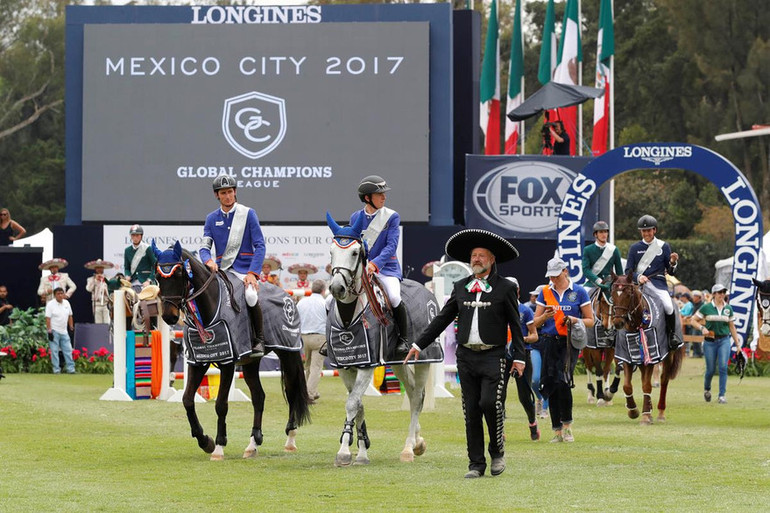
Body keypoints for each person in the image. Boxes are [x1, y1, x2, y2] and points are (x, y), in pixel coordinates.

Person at [405, 228, 525, 479]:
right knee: (471, 410)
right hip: (466, 357)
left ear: (492, 260)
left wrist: (520, 356)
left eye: (482, 255)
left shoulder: (504, 288)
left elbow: (516, 324)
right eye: (473, 255)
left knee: (489, 404)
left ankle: (497, 452)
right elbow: (441, 319)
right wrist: (418, 344)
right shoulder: (461, 287)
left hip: (494, 356)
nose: (476, 259)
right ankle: (476, 464)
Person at [200, 175, 266, 357]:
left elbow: (260, 245)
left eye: (230, 191)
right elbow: (204, 247)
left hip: (244, 270)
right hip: (223, 271)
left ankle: (258, 339)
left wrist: (253, 273)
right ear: (217, 195)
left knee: (251, 296)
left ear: (235, 192)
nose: (228, 196)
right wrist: (208, 260)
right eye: (223, 193)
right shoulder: (211, 218)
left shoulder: (248, 213)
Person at [533, 256, 594, 443]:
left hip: (569, 343)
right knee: (550, 383)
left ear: (565, 271)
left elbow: (591, 321)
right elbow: (534, 322)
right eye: (550, 276)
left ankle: (567, 426)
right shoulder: (545, 292)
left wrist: (574, 320)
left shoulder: (579, 291)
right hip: (548, 341)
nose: (553, 280)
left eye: (556, 276)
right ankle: (556, 430)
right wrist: (545, 316)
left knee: (563, 381)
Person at [350, 175, 409, 355]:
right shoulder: (355, 218)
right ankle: (333, 337)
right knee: (334, 297)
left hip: (386, 269)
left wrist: (375, 264)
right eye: (379, 194)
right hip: (362, 270)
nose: (384, 197)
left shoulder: (391, 216)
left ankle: (403, 339)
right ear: (368, 198)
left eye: (384, 194)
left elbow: (391, 246)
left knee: (393, 297)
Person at [625, 215, 681, 349]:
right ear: (641, 232)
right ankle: (618, 337)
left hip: (658, 284)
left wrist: (673, 262)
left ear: (654, 230)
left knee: (668, 306)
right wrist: (638, 277)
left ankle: (671, 335)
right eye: (644, 231)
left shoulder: (664, 246)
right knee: (622, 305)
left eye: (649, 230)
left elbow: (671, 271)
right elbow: (628, 271)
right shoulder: (634, 248)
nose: (646, 234)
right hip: (639, 285)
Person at [690, 284, 743, 404]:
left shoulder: (728, 308)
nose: (722, 295)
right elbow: (693, 320)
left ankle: (721, 395)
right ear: (714, 294)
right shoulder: (706, 307)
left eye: (724, 292)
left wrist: (738, 345)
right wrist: (701, 328)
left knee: (723, 367)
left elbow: (732, 327)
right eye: (719, 292)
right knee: (710, 369)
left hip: (724, 340)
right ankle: (707, 389)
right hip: (710, 342)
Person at [503, 277, 540, 441]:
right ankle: (499, 429)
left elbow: (534, 336)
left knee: (524, 395)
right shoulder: (496, 309)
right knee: (499, 394)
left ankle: (533, 423)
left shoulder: (525, 310)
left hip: (522, 355)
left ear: (517, 291)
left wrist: (520, 340)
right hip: (502, 356)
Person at [297, 279, 327, 402]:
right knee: (316, 367)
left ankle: (310, 391)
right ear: (323, 290)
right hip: (320, 337)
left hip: (305, 337)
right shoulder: (324, 303)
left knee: (308, 366)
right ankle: (308, 394)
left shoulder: (302, 302)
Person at [581, 221, 623, 301]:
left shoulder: (614, 250)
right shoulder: (588, 250)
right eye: (600, 232)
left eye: (605, 232)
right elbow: (585, 270)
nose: (604, 234)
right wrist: (598, 280)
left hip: (610, 284)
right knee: (582, 300)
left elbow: (619, 272)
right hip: (592, 283)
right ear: (595, 234)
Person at [527, 284, 548, 419]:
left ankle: (545, 408)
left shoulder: (554, 308)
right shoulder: (531, 309)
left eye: (536, 295)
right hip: (536, 345)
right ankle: (540, 398)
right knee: (534, 380)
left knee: (548, 378)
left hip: (550, 344)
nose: (534, 298)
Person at [45, 287, 75, 374]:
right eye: (58, 294)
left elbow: (70, 316)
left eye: (62, 293)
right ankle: (56, 370)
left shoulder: (67, 303)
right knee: (54, 351)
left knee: (68, 350)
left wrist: (71, 327)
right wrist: (49, 331)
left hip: (64, 331)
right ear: (54, 295)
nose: (60, 295)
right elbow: (48, 319)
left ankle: (71, 369)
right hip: (54, 330)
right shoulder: (50, 304)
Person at [85, 259, 114, 324]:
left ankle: (108, 334)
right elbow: (88, 289)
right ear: (95, 269)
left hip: (106, 303)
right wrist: (95, 280)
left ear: (103, 268)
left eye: (101, 268)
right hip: (97, 304)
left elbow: (111, 290)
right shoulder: (90, 279)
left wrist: (105, 289)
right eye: (98, 268)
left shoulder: (109, 278)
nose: (99, 269)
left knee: (107, 322)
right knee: (98, 323)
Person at [688, 289, 705, 357]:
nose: (693, 298)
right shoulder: (695, 304)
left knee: (697, 338)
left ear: (698, 297)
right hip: (694, 323)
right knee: (694, 338)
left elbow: (699, 314)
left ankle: (698, 353)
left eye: (695, 296)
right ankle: (696, 353)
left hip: (699, 324)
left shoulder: (702, 305)